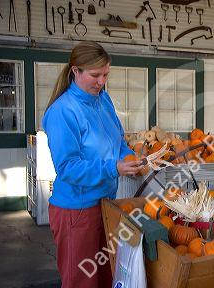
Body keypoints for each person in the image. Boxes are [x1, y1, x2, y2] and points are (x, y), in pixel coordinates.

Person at [42, 41, 144, 288]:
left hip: (105, 205)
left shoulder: (103, 100)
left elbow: (118, 141)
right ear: (75, 71)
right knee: (82, 281)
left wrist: (130, 158)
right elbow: (68, 167)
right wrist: (113, 168)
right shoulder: (63, 111)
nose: (101, 81)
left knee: (107, 277)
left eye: (106, 74)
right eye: (95, 75)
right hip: (76, 212)